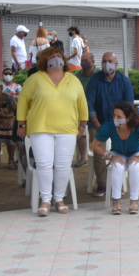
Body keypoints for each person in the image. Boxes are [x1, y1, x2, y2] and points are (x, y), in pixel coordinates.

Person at [16, 47, 87, 216]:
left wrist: (82, 125)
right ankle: (45, 199)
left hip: (67, 129)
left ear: (64, 59)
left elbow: (82, 104)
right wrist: (21, 125)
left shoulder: (73, 80)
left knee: (63, 165)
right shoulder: (34, 79)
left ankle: (59, 198)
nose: (56, 58)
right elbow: (23, 103)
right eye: (52, 56)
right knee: (44, 164)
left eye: (59, 56)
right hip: (40, 128)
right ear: (44, 61)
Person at [91, 101, 139, 214]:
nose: (115, 118)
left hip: (137, 152)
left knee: (134, 167)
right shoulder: (109, 126)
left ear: (128, 117)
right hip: (117, 152)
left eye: (119, 116)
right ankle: (116, 201)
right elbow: (94, 145)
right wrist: (110, 157)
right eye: (114, 115)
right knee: (118, 166)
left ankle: (134, 200)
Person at [85, 52, 134, 197]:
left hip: (120, 124)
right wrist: (98, 125)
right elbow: (89, 105)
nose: (107, 64)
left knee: (121, 150)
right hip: (97, 123)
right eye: (104, 61)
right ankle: (102, 184)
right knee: (99, 152)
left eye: (110, 61)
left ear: (116, 64)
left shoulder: (124, 81)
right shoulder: (94, 80)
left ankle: (117, 184)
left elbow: (129, 106)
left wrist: (122, 125)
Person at [73, 52, 99, 167]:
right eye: (82, 60)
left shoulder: (100, 74)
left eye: (86, 61)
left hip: (97, 109)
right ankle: (84, 157)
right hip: (80, 109)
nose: (84, 63)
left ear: (93, 62)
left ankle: (98, 155)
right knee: (80, 130)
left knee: (98, 130)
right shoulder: (77, 76)